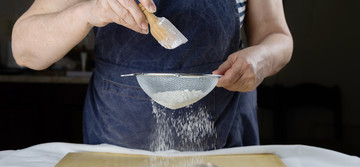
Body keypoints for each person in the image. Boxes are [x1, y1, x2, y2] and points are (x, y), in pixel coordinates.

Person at [11, 0, 293, 151]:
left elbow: (277, 37)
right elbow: (25, 50)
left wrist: (261, 59)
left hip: (223, 146)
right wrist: (88, 11)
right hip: (117, 148)